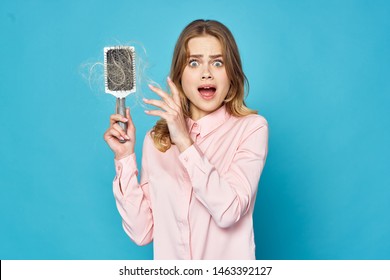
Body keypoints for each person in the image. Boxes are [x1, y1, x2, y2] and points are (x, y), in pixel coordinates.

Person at [103, 19, 268, 260]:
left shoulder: (251, 129)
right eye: (194, 62)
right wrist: (125, 157)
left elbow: (229, 210)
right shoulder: (156, 140)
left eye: (218, 62)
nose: (206, 73)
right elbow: (142, 232)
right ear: (179, 75)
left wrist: (184, 142)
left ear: (231, 74)